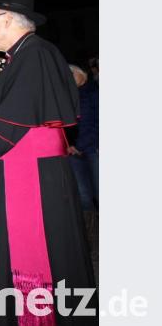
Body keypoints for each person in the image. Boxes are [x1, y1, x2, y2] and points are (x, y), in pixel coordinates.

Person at [0, 0, 96, 326]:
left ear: (7, 20)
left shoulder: (33, 54)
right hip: (35, 171)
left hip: (31, 178)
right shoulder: (29, 55)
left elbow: (10, 120)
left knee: (36, 258)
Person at [66, 64, 99, 255]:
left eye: (71, 75)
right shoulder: (69, 96)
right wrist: (69, 145)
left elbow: (98, 123)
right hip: (74, 153)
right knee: (84, 197)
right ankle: (91, 244)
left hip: (92, 149)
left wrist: (80, 144)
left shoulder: (95, 92)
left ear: (81, 74)